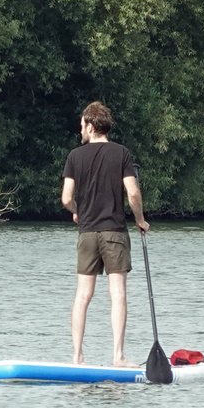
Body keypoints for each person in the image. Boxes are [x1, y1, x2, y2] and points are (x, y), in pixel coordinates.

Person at [61, 101, 149, 366]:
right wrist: (141, 219)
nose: (80, 131)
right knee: (117, 293)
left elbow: (66, 198)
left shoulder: (75, 156)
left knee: (82, 295)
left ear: (90, 125)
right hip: (114, 233)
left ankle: (77, 356)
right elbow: (132, 192)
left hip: (87, 233)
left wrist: (78, 211)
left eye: (82, 126)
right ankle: (118, 357)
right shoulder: (121, 153)